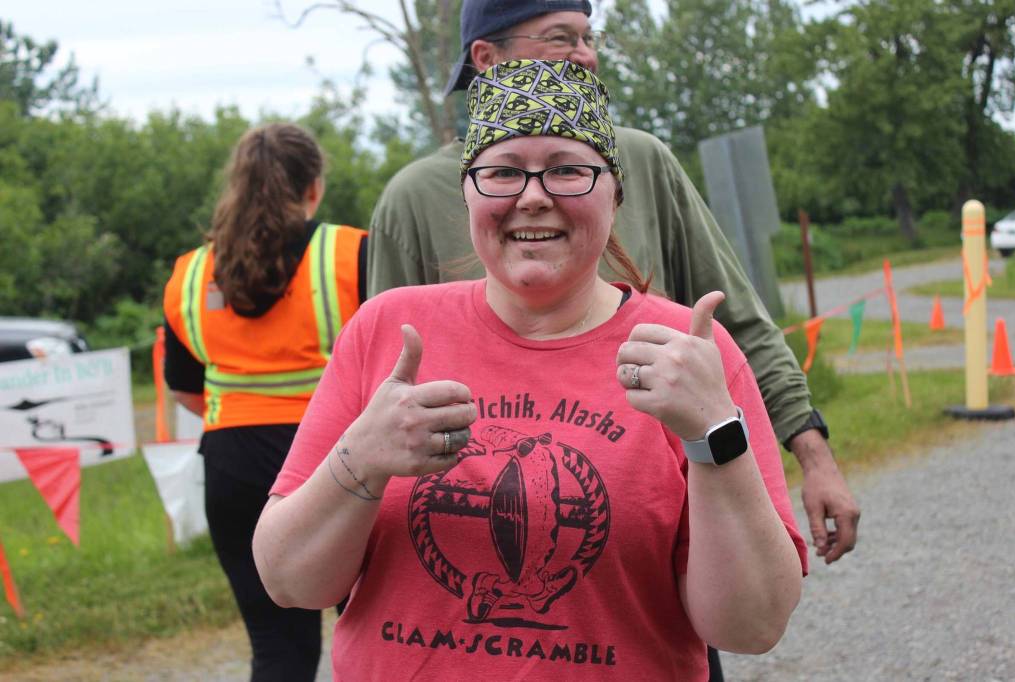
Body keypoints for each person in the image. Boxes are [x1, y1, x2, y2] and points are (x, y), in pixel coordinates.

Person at [254, 59, 807, 681]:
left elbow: (751, 627)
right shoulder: (388, 331)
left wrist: (714, 438)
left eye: (568, 170)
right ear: (466, 190)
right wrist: (360, 458)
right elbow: (288, 580)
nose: (533, 196)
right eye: (503, 172)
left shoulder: (688, 352)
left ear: (615, 190)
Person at [367, 0, 860, 571]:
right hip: (477, 528)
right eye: (560, 38)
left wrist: (813, 454)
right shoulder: (412, 197)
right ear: (486, 57)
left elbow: (734, 322)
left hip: (661, 531)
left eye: (587, 37)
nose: (586, 55)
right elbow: (385, 388)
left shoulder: (642, 160)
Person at [162, 122, 367, 681]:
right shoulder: (350, 253)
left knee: (277, 650)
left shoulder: (188, 274)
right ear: (313, 188)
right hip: (338, 463)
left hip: (232, 468)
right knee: (372, 632)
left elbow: (184, 388)